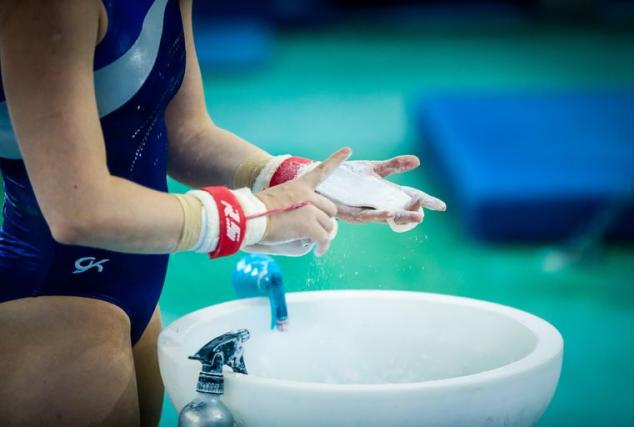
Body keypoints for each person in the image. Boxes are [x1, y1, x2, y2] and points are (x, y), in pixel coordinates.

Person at [0, 0, 445, 425]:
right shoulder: (48, 9)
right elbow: (79, 211)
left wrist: (291, 176)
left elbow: (186, 133)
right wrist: (254, 216)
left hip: (134, 294)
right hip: (53, 309)